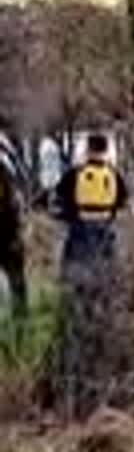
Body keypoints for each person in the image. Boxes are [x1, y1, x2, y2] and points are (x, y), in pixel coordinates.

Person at [51, 133, 128, 416]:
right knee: (104, 296)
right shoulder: (115, 177)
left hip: (79, 240)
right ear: (106, 151)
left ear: (86, 150)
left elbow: (57, 205)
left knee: (73, 298)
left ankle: (71, 362)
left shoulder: (74, 175)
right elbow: (121, 204)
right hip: (106, 241)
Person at [0, 131, 28, 337]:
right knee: (16, 279)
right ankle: (21, 324)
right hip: (9, 229)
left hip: (9, 227)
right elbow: (19, 194)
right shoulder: (6, 149)